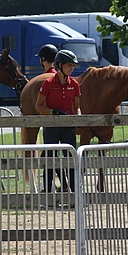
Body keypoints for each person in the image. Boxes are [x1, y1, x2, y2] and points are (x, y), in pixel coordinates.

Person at [36, 49, 81, 193]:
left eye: (73, 66)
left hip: (68, 127)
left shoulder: (74, 85)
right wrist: (53, 112)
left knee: (71, 158)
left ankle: (74, 192)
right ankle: (48, 192)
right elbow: (38, 106)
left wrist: (78, 117)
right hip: (51, 126)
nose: (72, 68)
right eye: (69, 65)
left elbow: (77, 108)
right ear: (60, 65)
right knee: (50, 159)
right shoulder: (48, 83)